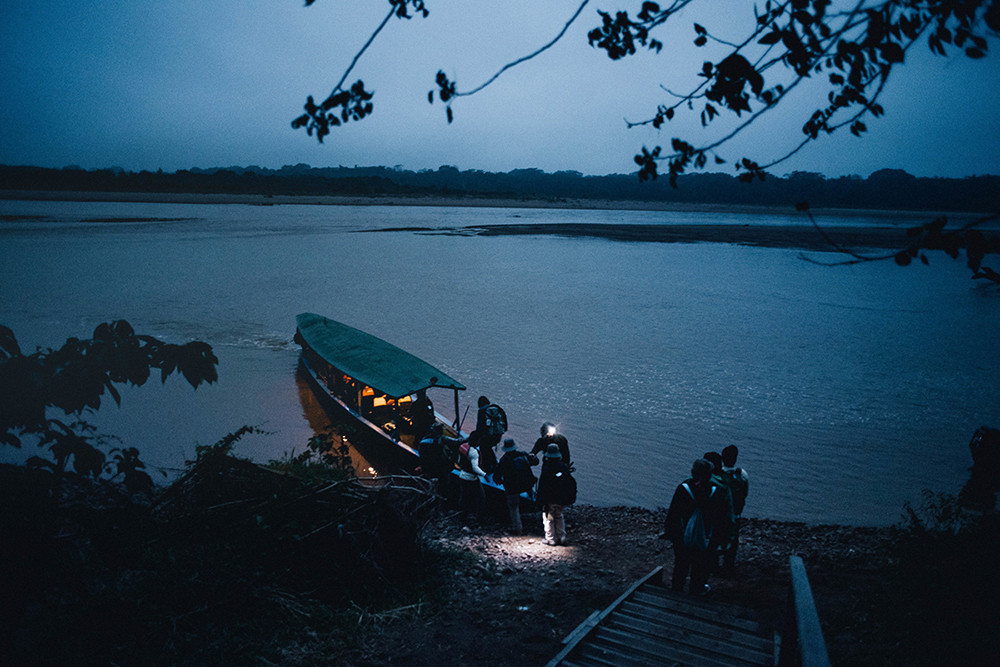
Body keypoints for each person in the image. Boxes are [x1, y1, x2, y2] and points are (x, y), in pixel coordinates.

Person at [663, 458, 734, 596]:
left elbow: (673, 514)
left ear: (693, 472)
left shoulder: (683, 489)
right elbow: (721, 518)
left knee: (681, 565)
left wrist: (672, 534)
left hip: (683, 536)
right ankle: (696, 592)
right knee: (701, 567)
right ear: (710, 475)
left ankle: (676, 591)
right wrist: (722, 539)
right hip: (707, 539)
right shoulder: (717, 492)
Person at [494, 438, 538, 535]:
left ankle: (517, 528)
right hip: (526, 484)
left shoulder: (504, 460)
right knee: (530, 494)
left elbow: (497, 477)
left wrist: (500, 480)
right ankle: (533, 505)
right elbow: (536, 462)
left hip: (512, 488)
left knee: (513, 507)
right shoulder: (523, 455)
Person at [536, 443, 577, 546]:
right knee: (559, 516)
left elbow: (542, 486)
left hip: (550, 500)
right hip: (562, 499)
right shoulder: (564, 467)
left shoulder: (546, 469)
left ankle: (551, 538)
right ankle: (561, 536)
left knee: (549, 518)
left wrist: (540, 500)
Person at [719, 444, 749, 572]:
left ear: (722, 458)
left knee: (716, 537)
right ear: (735, 458)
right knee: (733, 540)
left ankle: (713, 565)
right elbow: (745, 493)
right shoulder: (742, 474)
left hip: (719, 514)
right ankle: (728, 566)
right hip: (735, 514)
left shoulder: (718, 473)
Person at [417, 422, 462, 501]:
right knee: (444, 484)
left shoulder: (423, 440)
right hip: (440, 468)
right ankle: (443, 498)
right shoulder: (442, 440)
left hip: (428, 467)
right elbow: (457, 442)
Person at [456, 435, 487, 525]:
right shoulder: (474, 452)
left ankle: (462, 516)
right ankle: (479, 518)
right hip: (471, 478)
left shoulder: (463, 447)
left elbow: (459, 460)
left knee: (464, 497)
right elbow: (475, 468)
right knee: (481, 497)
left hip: (462, 475)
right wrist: (484, 475)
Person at [472, 396, 506, 475]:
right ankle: (494, 465)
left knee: (484, 449)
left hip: (487, 436)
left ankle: (487, 468)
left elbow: (480, 427)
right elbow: (505, 425)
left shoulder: (482, 411)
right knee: (488, 449)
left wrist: (477, 437)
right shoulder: (497, 409)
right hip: (498, 436)